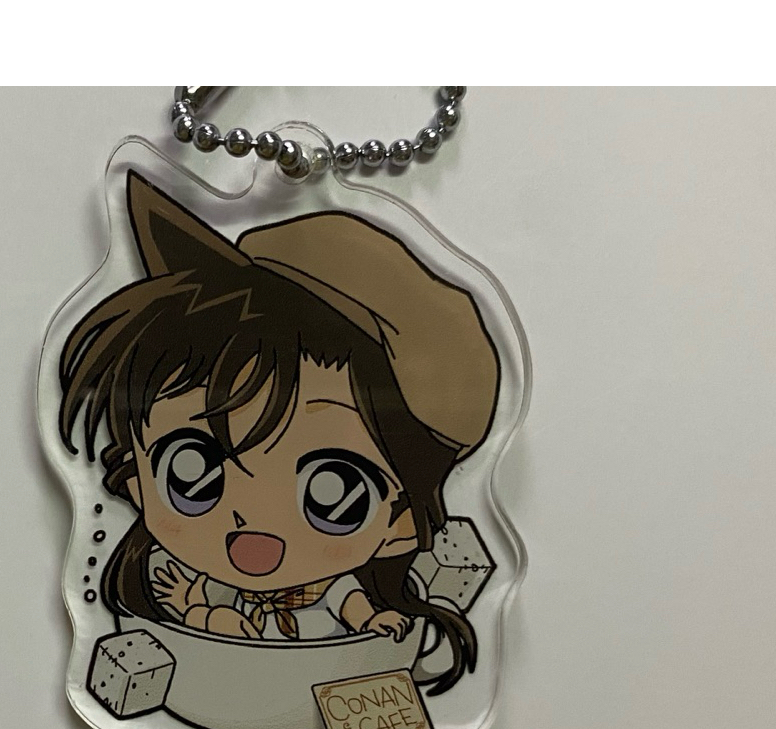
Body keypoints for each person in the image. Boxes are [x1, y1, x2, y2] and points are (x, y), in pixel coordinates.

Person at [57, 172, 499, 694]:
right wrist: (206, 615)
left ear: (399, 525)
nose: (253, 523)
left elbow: (351, 605)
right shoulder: (185, 576)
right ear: (137, 478)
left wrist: (375, 620)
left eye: (333, 496)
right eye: (192, 473)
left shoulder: (331, 589)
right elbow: (190, 612)